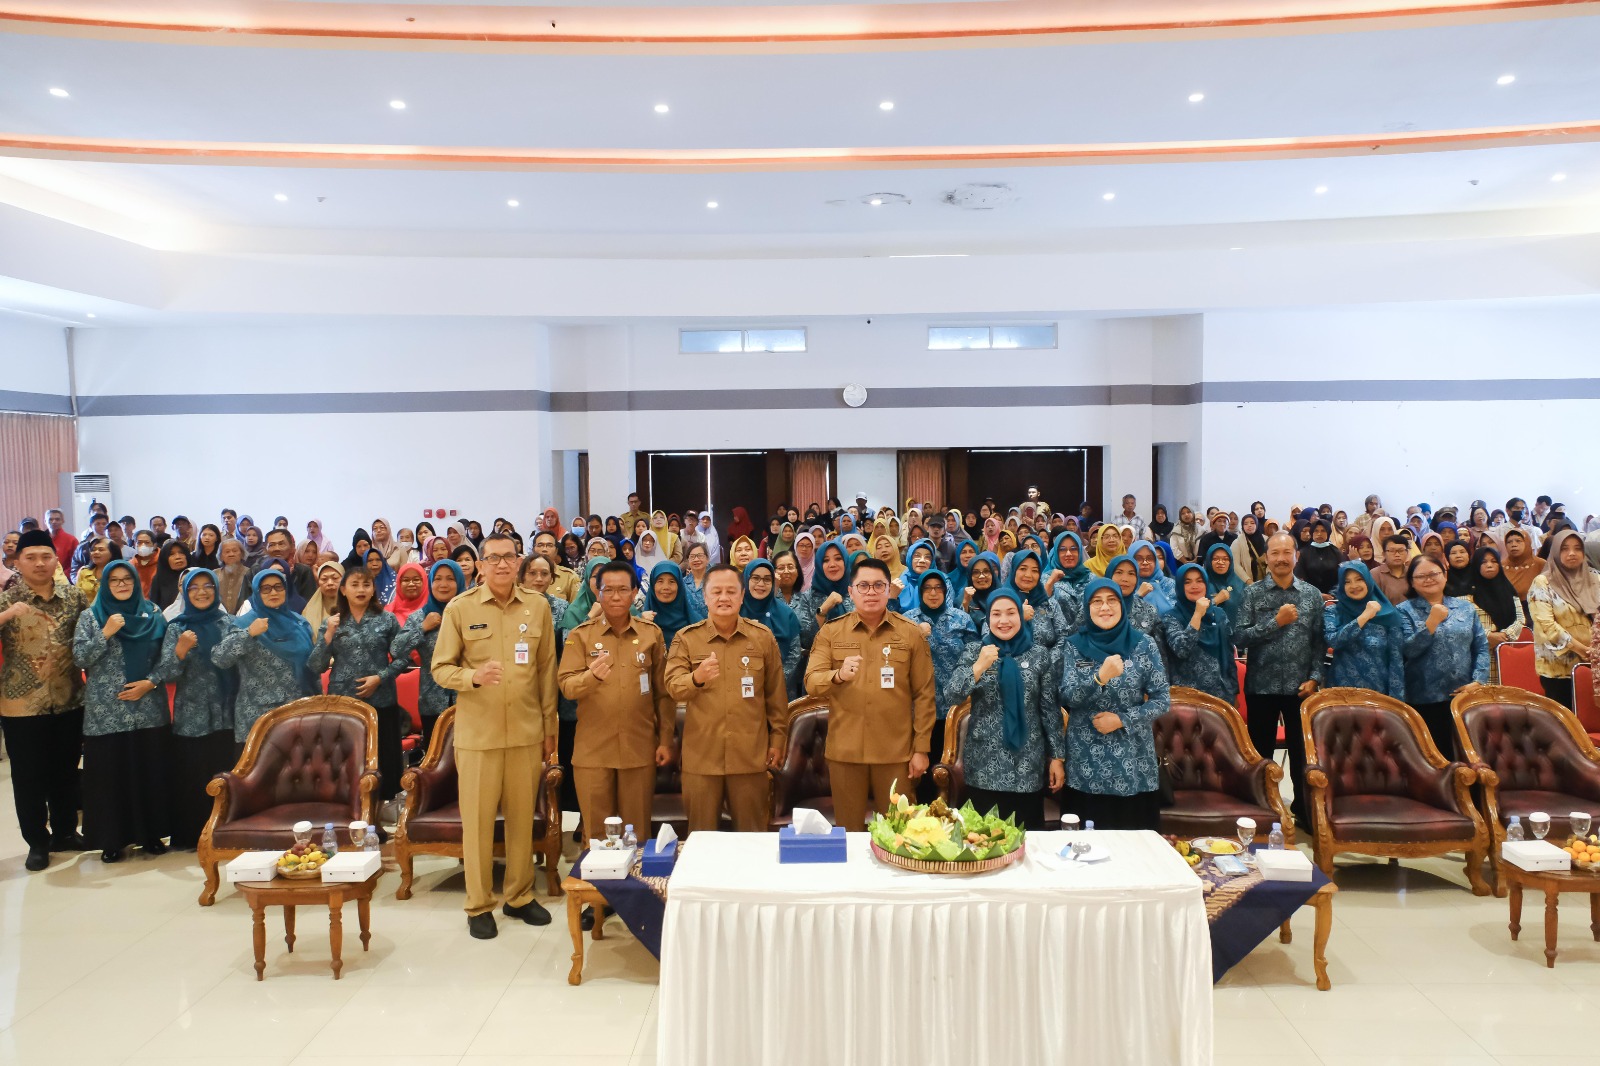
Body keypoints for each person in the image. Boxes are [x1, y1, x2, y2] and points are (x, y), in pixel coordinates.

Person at [430, 531, 559, 939]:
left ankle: (519, 896)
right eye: (493, 558)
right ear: (480, 565)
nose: (502, 564)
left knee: (522, 820)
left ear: (518, 561)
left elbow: (546, 672)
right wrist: (473, 677)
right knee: (480, 824)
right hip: (478, 736)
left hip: (525, 731)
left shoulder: (537, 608)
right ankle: (478, 903)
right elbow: (440, 668)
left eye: (509, 557)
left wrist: (549, 729)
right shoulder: (460, 609)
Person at [804, 556, 937, 829]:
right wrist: (838, 675)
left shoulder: (910, 634)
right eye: (863, 586)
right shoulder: (831, 632)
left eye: (879, 585)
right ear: (850, 591)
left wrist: (921, 749)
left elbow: (924, 695)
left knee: (898, 835)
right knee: (849, 833)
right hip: (846, 752)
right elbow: (812, 682)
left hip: (896, 753)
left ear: (889, 590)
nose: (871, 592)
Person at [559, 559, 674, 857]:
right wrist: (591, 676)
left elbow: (663, 694)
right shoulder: (580, 636)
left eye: (623, 589)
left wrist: (664, 740)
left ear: (635, 592)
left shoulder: (651, 634)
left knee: (636, 832)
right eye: (607, 589)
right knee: (597, 833)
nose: (615, 596)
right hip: (593, 749)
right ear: (598, 593)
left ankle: (634, 897)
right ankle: (596, 900)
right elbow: (567, 686)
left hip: (639, 747)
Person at [664, 565, 789, 833]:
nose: (724, 598)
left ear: (742, 596)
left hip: (749, 757)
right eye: (716, 591)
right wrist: (696, 677)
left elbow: (776, 696)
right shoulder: (687, 639)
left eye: (731, 591)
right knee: (701, 838)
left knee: (752, 837)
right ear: (705, 597)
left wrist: (778, 739)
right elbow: (673, 687)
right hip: (702, 759)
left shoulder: (762, 638)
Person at [0, 529, 89, 871]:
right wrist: (7, 616)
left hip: (69, 699)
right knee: (29, 776)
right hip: (21, 705)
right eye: (31, 557)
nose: (39, 563)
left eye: (45, 556)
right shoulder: (8, 600)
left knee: (65, 771)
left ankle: (66, 832)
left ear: (56, 560)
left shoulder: (74, 597)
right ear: (17, 562)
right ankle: (37, 841)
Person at [73, 559, 173, 862]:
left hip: (148, 709)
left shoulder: (153, 614)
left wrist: (151, 684)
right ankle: (111, 840)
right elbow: (79, 657)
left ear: (135, 582)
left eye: (126, 579)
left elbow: (167, 659)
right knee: (110, 778)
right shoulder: (91, 617)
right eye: (114, 580)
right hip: (107, 712)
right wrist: (105, 633)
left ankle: (152, 835)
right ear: (105, 584)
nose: (121, 585)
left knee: (149, 772)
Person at [942, 587, 1066, 829]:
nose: (1004, 620)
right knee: (982, 842)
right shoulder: (975, 651)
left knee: (1027, 841)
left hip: (1027, 765)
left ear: (1021, 615)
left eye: (1011, 613)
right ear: (988, 619)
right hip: (984, 764)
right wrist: (978, 667)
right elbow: (952, 695)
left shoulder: (1040, 655)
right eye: (996, 614)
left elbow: (1049, 710)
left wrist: (1057, 758)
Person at [1058, 577, 1170, 830]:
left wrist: (1122, 719)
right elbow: (1067, 697)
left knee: (1134, 851)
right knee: (1083, 848)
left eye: (1111, 600)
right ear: (1086, 608)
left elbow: (1162, 699)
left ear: (1122, 604)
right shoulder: (1074, 646)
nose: (1104, 607)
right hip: (1085, 762)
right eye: (1096, 601)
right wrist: (1099, 678)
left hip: (1133, 761)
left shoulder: (1144, 644)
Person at [1233, 531, 1325, 828]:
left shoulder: (1311, 594)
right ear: (1267, 558)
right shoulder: (1253, 593)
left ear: (1296, 556)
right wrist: (1275, 623)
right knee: (1260, 752)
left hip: (1301, 688)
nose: (1281, 558)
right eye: (1275, 553)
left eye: (1287, 552)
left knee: (1302, 753)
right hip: (1261, 686)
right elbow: (1239, 636)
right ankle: (1260, 811)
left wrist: (1315, 677)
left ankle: (1305, 813)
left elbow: (1319, 642)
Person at [154, 569, 238, 850]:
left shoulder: (229, 623)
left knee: (226, 775)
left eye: (207, 587)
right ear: (185, 593)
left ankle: (228, 833)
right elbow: (166, 673)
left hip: (227, 713)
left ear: (216, 590)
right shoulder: (177, 627)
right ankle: (194, 835)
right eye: (194, 588)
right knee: (195, 776)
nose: (201, 592)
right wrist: (180, 650)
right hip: (193, 716)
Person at [308, 566, 407, 801]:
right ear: (343, 590)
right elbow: (316, 665)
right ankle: (349, 809)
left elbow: (403, 657)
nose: (361, 590)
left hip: (381, 701)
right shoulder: (332, 621)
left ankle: (381, 810)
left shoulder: (387, 619)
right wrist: (328, 635)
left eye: (366, 585)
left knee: (382, 758)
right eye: (354, 585)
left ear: (373, 589)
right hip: (344, 703)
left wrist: (381, 677)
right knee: (348, 759)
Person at [213, 571, 317, 750]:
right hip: (259, 715)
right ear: (256, 592)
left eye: (278, 587)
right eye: (266, 589)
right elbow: (220, 658)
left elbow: (311, 665)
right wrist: (249, 634)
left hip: (297, 709)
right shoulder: (245, 623)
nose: (273, 593)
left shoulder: (299, 622)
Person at [1398, 555, 1489, 755]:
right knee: (1433, 756)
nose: (1429, 579)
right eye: (1421, 576)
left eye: (1434, 574)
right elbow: (1407, 650)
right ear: (1412, 582)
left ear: (1445, 576)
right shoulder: (1403, 611)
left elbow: (1481, 646)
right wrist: (1431, 622)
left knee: (1468, 753)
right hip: (1423, 697)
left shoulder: (1465, 607)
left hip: (1463, 694)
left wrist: (1479, 681)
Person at [1526, 528, 1598, 709]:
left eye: (1577, 548)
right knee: (1565, 728)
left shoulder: (1595, 579)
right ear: (1556, 552)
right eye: (1564, 549)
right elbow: (1546, 625)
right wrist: (1582, 650)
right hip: (1559, 670)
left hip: (1595, 668)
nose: (1572, 553)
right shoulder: (1542, 582)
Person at [1323, 561, 1408, 698]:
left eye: (1359, 579)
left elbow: (1396, 661)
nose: (1354, 586)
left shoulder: (1389, 615)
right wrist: (1364, 616)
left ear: (1368, 581)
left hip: (1378, 692)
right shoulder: (1333, 611)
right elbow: (1334, 641)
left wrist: (1396, 700)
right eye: (1347, 582)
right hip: (1341, 692)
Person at [1160, 563, 1238, 703]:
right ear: (1179, 586)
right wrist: (1197, 614)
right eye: (1187, 582)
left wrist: (1234, 690)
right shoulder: (1170, 617)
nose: (1194, 586)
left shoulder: (1219, 614)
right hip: (1187, 699)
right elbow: (1182, 649)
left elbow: (1228, 654)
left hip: (1221, 696)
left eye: (1199, 581)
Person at [739, 559, 803, 699]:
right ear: (745, 580)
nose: (761, 584)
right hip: (738, 688)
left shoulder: (785, 613)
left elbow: (794, 652)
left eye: (767, 579)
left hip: (778, 689)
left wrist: (775, 682)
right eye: (755, 578)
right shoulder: (735, 611)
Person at [1465, 546, 1525, 683]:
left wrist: (1504, 636)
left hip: (1506, 654)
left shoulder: (1508, 590)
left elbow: (1520, 619)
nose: (1489, 565)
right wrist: (1488, 636)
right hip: (1477, 657)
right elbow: (1463, 624)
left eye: (1494, 561)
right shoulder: (1466, 594)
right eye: (1483, 562)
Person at [45, 508, 78, 574]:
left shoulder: (71, 540)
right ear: (45, 521)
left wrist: (61, 575)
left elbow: (76, 564)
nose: (54, 522)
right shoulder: (40, 539)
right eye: (50, 519)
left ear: (63, 521)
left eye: (57, 519)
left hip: (64, 579)